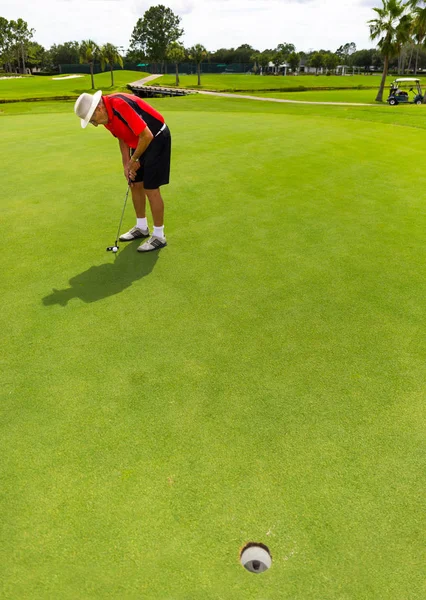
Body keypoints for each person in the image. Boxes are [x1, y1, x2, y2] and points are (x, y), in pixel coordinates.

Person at [74, 90, 171, 252]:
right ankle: (141, 227)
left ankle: (159, 236)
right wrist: (126, 164)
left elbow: (147, 135)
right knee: (134, 183)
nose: (95, 124)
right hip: (138, 141)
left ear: (98, 108)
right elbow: (122, 136)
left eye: (92, 120)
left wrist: (134, 160)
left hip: (156, 137)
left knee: (150, 188)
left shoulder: (119, 106)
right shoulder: (106, 117)